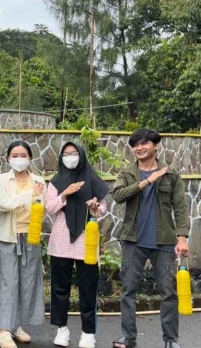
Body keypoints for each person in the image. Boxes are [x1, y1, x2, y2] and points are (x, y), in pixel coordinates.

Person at [112, 128, 189, 348]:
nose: (138, 148)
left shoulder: (171, 175)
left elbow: (180, 208)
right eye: (135, 145)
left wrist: (182, 238)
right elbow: (117, 196)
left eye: (144, 143)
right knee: (128, 290)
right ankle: (128, 338)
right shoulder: (127, 173)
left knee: (168, 292)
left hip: (164, 241)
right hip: (132, 240)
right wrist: (147, 181)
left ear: (156, 146)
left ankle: (170, 340)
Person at [46, 142, 109, 348]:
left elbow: (103, 209)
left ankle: (88, 332)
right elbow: (50, 207)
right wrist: (65, 193)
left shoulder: (92, 178)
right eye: (65, 154)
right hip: (60, 242)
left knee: (88, 288)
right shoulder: (56, 181)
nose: (69, 157)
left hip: (86, 242)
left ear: (81, 155)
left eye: (73, 153)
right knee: (59, 288)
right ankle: (61, 329)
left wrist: (95, 207)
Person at [0, 140, 47, 348]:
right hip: (8, 236)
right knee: (7, 281)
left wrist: (37, 196)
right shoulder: (1, 179)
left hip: (30, 236)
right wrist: (28, 195)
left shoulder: (39, 180)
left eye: (23, 155)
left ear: (30, 157)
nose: (19, 159)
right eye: (15, 155)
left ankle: (17, 325)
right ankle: (3, 330)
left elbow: (43, 207)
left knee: (27, 282)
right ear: (8, 158)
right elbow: (2, 204)